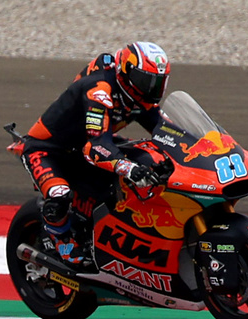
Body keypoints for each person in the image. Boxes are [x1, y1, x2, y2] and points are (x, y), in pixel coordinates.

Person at [19, 42, 171, 265]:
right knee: (59, 194)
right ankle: (60, 240)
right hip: (48, 150)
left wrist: (202, 145)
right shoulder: (99, 91)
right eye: (146, 81)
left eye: (157, 83)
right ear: (126, 73)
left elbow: (167, 130)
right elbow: (96, 146)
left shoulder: (138, 98)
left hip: (84, 146)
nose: (151, 89)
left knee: (148, 156)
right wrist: (129, 168)